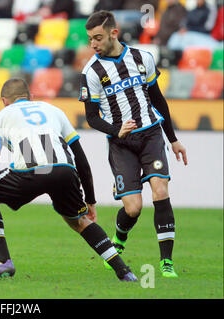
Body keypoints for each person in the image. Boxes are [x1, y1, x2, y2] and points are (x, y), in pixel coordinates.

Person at [0, 78, 138, 282]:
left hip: (30, 171)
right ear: (30, 96)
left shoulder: (1, 117)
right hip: (64, 169)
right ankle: (125, 272)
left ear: (4, 101)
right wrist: (90, 200)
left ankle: (2, 260)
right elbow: (81, 158)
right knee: (79, 221)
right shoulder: (54, 110)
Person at [79, 10, 188, 278]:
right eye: (90, 39)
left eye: (98, 38)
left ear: (114, 33)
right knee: (133, 208)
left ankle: (166, 263)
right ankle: (120, 239)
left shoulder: (143, 58)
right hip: (121, 144)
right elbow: (91, 117)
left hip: (151, 135)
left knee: (160, 191)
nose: (93, 44)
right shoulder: (91, 71)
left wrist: (172, 139)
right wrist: (117, 130)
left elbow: (158, 100)